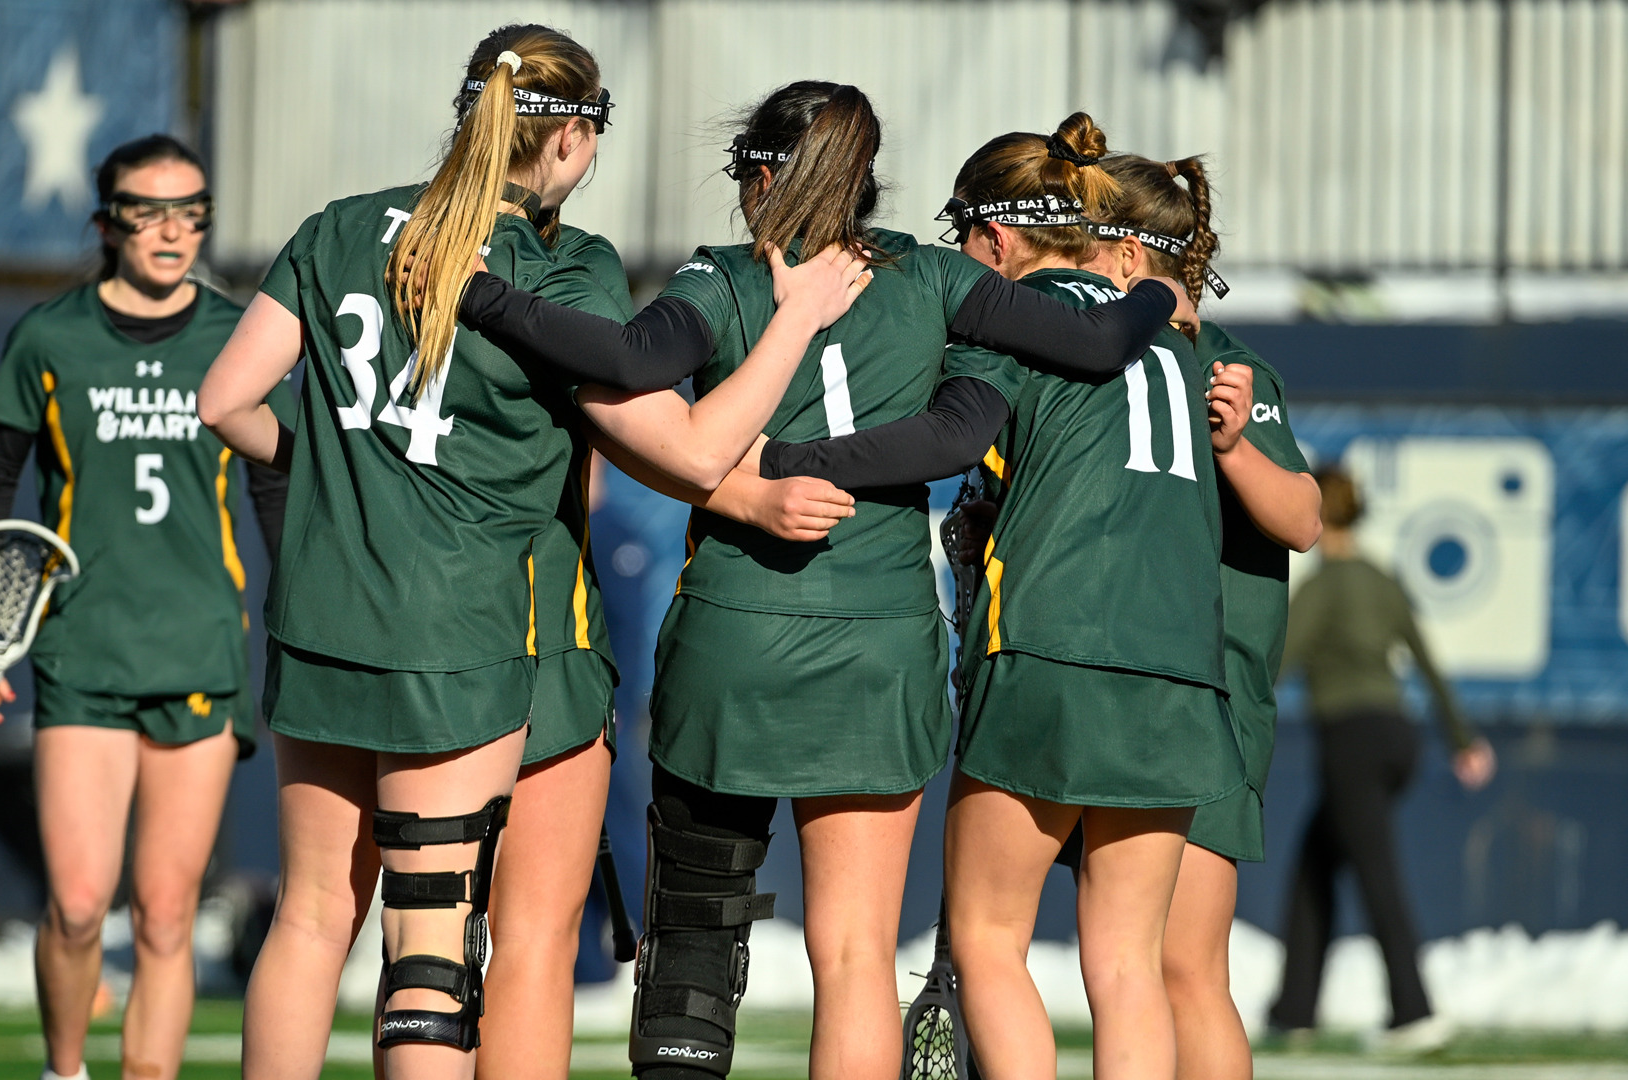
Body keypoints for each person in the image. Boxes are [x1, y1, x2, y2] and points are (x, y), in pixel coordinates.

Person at [454, 88, 1193, 1080]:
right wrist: (1158, 291)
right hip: (880, 648)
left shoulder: (725, 275)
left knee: (695, 947)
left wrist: (482, 296)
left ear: (763, 177)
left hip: (734, 638)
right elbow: (1092, 348)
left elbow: (627, 359)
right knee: (854, 959)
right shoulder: (934, 273)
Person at [194, 26, 871, 1080]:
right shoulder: (566, 263)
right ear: (569, 138)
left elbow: (225, 401)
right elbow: (684, 449)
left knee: (315, 915)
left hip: (329, 616)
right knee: (455, 943)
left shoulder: (337, 227)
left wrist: (345, 472)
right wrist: (792, 331)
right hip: (478, 631)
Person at [0, 134, 291, 1080]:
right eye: (150, 212)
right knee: (75, 906)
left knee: (167, 915)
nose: (174, 231)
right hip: (82, 652)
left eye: (192, 213)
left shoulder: (236, 334)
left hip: (199, 651)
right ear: (108, 224)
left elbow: (274, 487)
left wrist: (297, 620)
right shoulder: (50, 338)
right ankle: (64, 1070)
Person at [920, 115, 1244, 1080]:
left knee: (987, 937)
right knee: (1128, 961)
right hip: (1180, 673)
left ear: (998, 236)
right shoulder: (1177, 344)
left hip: (1052, 645)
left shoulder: (1013, 321)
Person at [1076, 153, 1323, 1080]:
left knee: (1183, 967)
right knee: (1128, 962)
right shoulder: (1098, 351)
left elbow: (1303, 518)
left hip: (1207, 700)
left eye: (1082, 242)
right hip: (1114, 683)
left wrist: (1234, 448)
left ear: (1128, 255)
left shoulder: (1224, 364)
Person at [1266, 467, 1495, 1052]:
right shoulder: (1381, 578)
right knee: (1316, 864)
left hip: (1352, 744)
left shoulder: (1324, 585)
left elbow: (1276, 663)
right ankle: (1293, 1011)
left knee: (1377, 875)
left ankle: (1414, 1011)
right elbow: (1426, 658)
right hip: (1398, 739)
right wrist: (1462, 739)